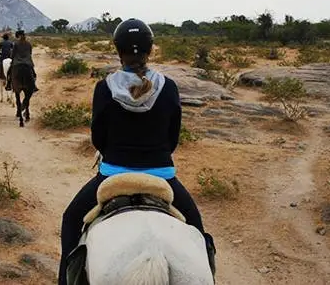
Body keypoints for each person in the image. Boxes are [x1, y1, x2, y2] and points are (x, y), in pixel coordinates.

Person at [57, 18, 216, 285]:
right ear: (150, 50)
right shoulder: (169, 88)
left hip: (111, 176)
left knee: (71, 220)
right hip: (163, 177)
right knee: (198, 233)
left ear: (118, 51)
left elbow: (98, 139)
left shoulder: (105, 88)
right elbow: (172, 139)